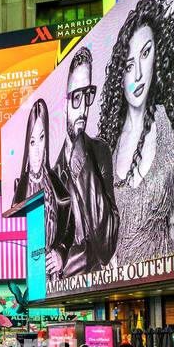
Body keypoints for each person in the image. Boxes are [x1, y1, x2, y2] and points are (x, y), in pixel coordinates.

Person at [98, 0, 174, 266]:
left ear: (158, 54)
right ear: (120, 75)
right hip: (121, 289)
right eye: (129, 65)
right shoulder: (109, 145)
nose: (139, 74)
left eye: (146, 53)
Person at [46, 45, 119, 279]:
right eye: (76, 97)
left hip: (99, 283)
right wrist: (59, 253)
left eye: (87, 95)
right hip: (66, 288)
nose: (84, 108)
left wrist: (82, 161)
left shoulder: (98, 152)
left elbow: (106, 245)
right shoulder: (53, 173)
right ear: (63, 103)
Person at [11, 97, 51, 210]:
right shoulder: (20, 184)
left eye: (41, 138)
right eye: (32, 142)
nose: (37, 150)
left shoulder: (53, 180)